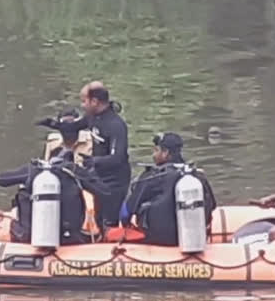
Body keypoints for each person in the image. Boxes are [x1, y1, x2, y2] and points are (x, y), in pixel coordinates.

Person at [37, 82, 131, 232]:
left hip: (115, 180)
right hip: (98, 175)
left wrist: (94, 161)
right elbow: (73, 127)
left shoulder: (116, 125)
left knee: (109, 220)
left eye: (84, 101)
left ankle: (112, 243)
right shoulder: (92, 117)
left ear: (95, 101)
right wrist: (53, 124)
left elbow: (118, 157)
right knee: (98, 217)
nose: (82, 105)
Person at [117, 132, 216, 245]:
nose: (153, 155)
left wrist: (127, 226)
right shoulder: (197, 175)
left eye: (156, 150)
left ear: (165, 153)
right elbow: (212, 205)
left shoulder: (152, 176)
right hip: (193, 238)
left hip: (158, 240)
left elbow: (126, 213)